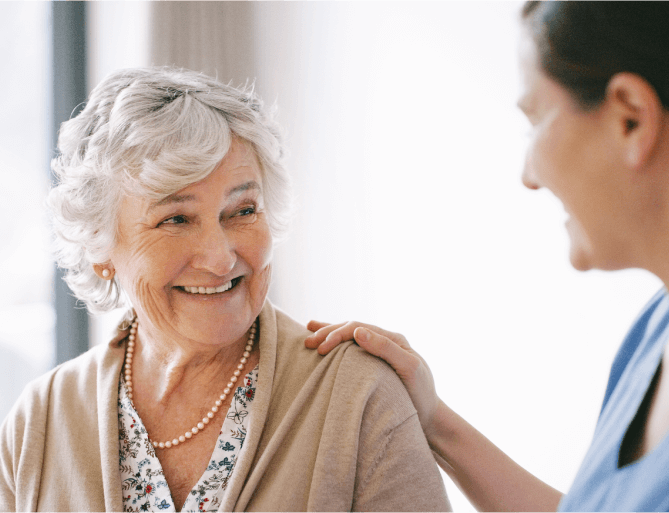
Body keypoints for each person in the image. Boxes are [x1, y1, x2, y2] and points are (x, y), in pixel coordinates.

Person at [0, 67, 449, 513]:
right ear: (99, 246)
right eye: (176, 219)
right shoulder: (39, 421)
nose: (219, 259)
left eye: (242, 210)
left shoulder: (358, 397)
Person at [306, 2, 669, 512]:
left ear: (630, 117)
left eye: (535, 120)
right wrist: (434, 420)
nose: (530, 174)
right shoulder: (652, 334)